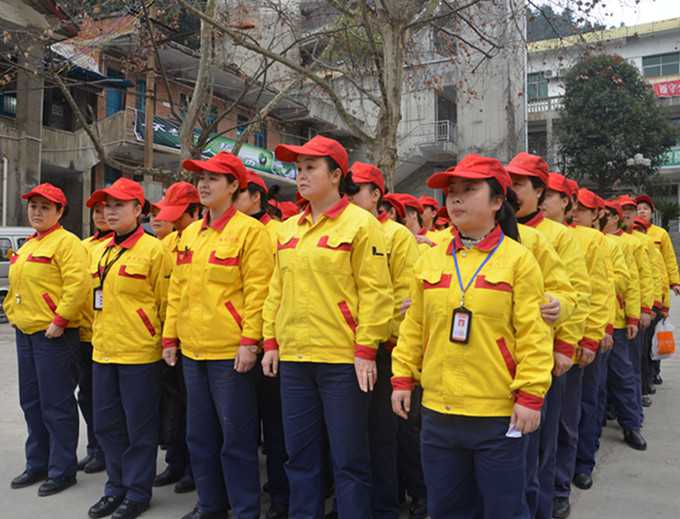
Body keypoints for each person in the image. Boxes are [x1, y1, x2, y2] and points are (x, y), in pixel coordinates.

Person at [391, 154, 553, 519]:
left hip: (496, 415)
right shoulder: (431, 260)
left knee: (503, 509)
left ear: (497, 201)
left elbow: (533, 334)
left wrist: (530, 395)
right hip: (439, 413)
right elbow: (414, 327)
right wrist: (402, 378)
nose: (456, 198)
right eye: (452, 191)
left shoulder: (518, 261)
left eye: (468, 190)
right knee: (446, 508)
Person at [261, 135, 393, 519]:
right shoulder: (288, 229)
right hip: (295, 359)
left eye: (310, 168)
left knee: (349, 459)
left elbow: (376, 293)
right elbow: (276, 290)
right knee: (299, 456)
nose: (301, 176)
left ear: (336, 175)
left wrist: (366, 349)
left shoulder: (362, 225)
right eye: (298, 169)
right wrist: (270, 341)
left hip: (342, 361)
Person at [162, 152, 274, 519]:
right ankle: (210, 505)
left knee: (236, 439)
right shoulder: (190, 234)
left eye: (213, 178)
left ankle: (244, 510)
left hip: (230, 354)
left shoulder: (251, 232)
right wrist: (170, 338)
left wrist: (249, 342)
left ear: (233, 186)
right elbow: (176, 291)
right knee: (199, 435)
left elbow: (259, 292)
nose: (204, 185)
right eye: (201, 178)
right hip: (193, 352)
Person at [507, 154, 591, 519]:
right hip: (503, 355)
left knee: (544, 438)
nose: (511, 191)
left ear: (540, 191)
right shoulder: (497, 229)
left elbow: (578, 293)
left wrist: (565, 345)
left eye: (519, 185)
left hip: (544, 354)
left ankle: (553, 494)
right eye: (507, 183)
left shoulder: (558, 237)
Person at [86, 177, 172, 519]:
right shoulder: (103, 250)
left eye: (118, 205)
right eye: (107, 205)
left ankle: (137, 493)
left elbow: (166, 302)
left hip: (139, 354)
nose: (110, 212)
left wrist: (164, 341)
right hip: (103, 351)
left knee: (139, 429)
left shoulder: (154, 250)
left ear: (139, 209)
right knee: (107, 425)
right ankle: (115, 487)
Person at [348, 162, 421, 519]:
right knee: (356, 435)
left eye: (356, 190)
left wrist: (383, 329)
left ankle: (392, 503)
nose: (349, 196)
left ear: (376, 194)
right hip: (348, 347)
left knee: (388, 433)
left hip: (386, 348)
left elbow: (405, 295)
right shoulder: (342, 228)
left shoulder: (397, 235)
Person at [5, 183, 89, 496]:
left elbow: (78, 285)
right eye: (33, 206)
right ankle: (38, 463)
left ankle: (62, 470)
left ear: (59, 211)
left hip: (54, 335)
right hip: (26, 333)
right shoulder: (29, 245)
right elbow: (17, 286)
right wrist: (11, 312)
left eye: (45, 207)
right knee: (31, 401)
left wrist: (60, 320)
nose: (37, 212)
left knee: (56, 403)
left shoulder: (67, 243)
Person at [235, 170, 290, 518]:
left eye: (240, 193)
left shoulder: (278, 233)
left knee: (275, 425)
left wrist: (268, 339)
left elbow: (273, 290)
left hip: (271, 341)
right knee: (242, 426)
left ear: (256, 197)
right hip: (236, 341)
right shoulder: (229, 231)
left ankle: (281, 495)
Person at [152, 182, 202, 495]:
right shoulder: (167, 244)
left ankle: (196, 471)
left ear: (196, 211)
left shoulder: (206, 241)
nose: (175, 221)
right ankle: (176, 461)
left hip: (200, 340)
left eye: (180, 215)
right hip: (170, 336)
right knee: (173, 407)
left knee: (196, 413)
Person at [598, 200, 646, 451]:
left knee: (622, 374)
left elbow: (633, 281)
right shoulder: (579, 238)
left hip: (615, 321)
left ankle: (631, 423)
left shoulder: (623, 244)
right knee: (597, 383)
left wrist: (634, 316)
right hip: (589, 323)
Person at [77, 198, 114, 475]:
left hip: (109, 335)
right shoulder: (84, 245)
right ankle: (94, 447)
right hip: (83, 333)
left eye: (106, 210)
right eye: (97, 211)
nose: (101, 215)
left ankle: (106, 451)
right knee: (87, 395)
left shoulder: (120, 246)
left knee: (106, 399)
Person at [635, 194, 680, 385]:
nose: (642, 211)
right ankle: (646, 374)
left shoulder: (660, 234)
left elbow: (669, 259)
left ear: (652, 213)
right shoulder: (632, 233)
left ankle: (654, 371)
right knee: (645, 339)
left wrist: (675, 282)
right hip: (643, 290)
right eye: (639, 209)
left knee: (656, 333)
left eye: (645, 209)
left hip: (658, 288)